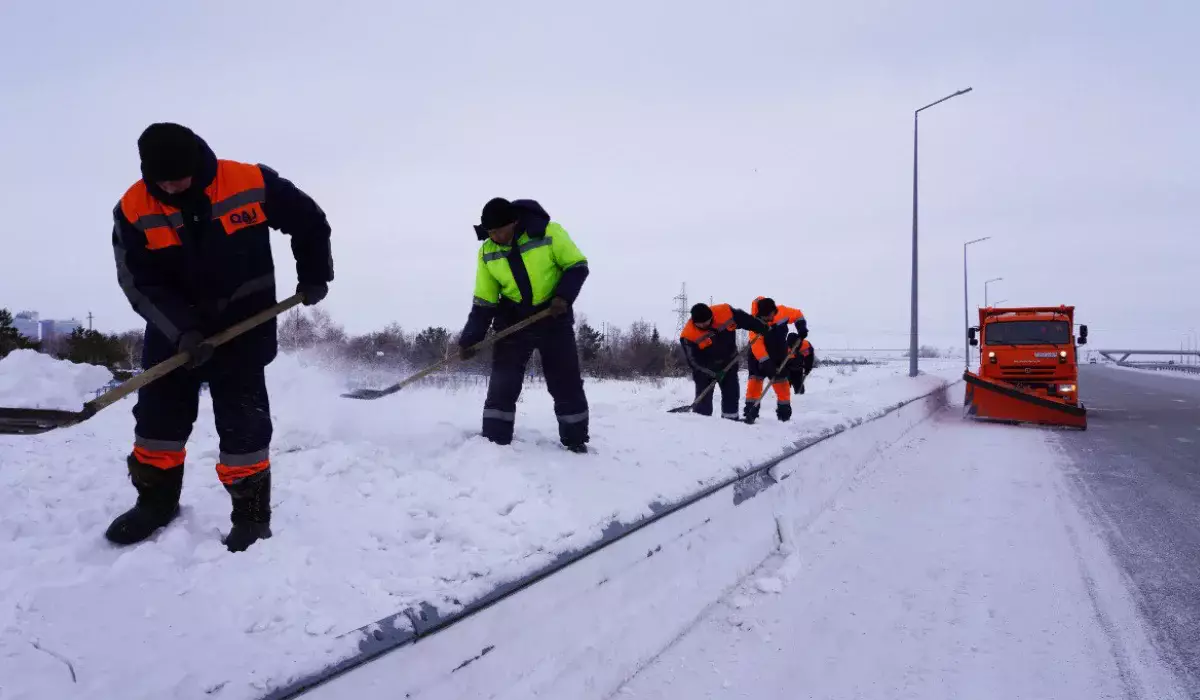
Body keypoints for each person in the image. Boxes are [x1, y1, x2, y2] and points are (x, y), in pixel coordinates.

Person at [106, 122, 333, 552]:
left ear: (198, 161)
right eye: (162, 180)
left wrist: (316, 272)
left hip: (243, 326)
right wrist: (182, 331)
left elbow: (309, 221)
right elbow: (139, 282)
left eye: (179, 176)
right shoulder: (133, 208)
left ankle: (250, 517)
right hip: (175, 334)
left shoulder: (249, 181)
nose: (172, 187)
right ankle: (155, 503)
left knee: (244, 425)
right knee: (157, 424)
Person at [457, 198, 590, 452]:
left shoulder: (549, 232)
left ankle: (575, 440)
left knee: (564, 380)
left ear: (514, 222)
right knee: (502, 382)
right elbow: (484, 301)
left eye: (499, 231)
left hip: (553, 315)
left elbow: (577, 266)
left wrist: (563, 297)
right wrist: (470, 339)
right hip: (513, 319)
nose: (494, 237)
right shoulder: (487, 252)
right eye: (490, 232)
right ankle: (495, 441)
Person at [679, 303, 767, 419]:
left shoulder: (725, 312)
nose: (706, 324)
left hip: (728, 362)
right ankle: (701, 423)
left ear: (711, 316)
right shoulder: (688, 336)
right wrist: (712, 373)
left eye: (708, 321)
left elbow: (745, 319)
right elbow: (694, 362)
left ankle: (730, 422)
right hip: (704, 369)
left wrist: (760, 326)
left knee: (731, 394)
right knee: (703, 400)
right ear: (694, 322)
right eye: (701, 323)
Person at [744, 296, 807, 424]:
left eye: (773, 314)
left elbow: (797, 314)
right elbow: (758, 349)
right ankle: (751, 412)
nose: (772, 318)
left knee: (782, 384)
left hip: (779, 354)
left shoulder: (781, 311)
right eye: (768, 317)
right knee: (754, 383)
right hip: (759, 358)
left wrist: (801, 327)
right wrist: (768, 365)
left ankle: (784, 415)